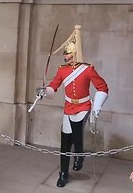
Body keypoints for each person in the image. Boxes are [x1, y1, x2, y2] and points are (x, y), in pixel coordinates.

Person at [37, 26, 108, 187]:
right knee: (65, 141)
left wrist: (97, 107)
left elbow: (102, 87)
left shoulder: (88, 69)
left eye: (68, 53)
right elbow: (53, 87)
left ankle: (80, 154)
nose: (65, 57)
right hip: (69, 107)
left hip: (83, 106)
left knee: (77, 129)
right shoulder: (62, 70)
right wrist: (44, 91)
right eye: (65, 54)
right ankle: (63, 172)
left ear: (75, 53)